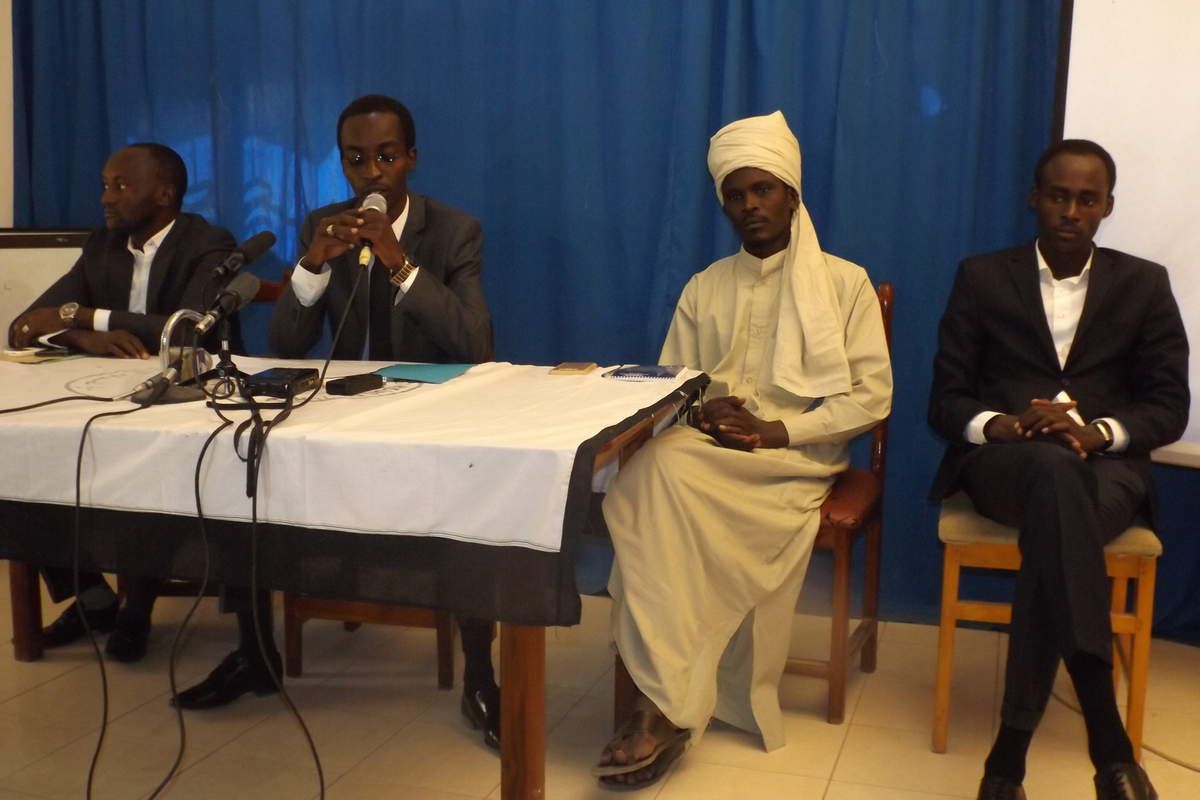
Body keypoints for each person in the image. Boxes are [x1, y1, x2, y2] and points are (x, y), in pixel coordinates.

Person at [176, 94, 502, 750]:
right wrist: (313, 265)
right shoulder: (322, 223)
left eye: (386, 157)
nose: (372, 173)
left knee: (475, 501)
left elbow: (475, 343)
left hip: (430, 411)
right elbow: (288, 345)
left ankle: (480, 675)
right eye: (356, 160)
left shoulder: (453, 230)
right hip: (344, 408)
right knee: (245, 463)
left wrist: (398, 260)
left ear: (411, 158)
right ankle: (255, 652)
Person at [594, 111, 892, 788]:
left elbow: (872, 399)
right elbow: (671, 387)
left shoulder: (845, 284)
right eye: (736, 194)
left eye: (763, 189)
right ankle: (666, 698)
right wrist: (705, 410)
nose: (751, 205)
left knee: (651, 482)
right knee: (643, 479)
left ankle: (659, 705)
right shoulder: (705, 286)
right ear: (723, 203)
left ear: (791, 193)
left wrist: (778, 431)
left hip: (795, 461)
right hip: (709, 453)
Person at [928, 139, 1188, 800]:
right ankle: (1108, 741)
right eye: (1059, 196)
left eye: (1087, 199)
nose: (1072, 211)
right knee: (1049, 473)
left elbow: (1168, 406)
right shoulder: (982, 278)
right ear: (1034, 199)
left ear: (1107, 207)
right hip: (1005, 466)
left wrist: (1097, 433)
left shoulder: (1144, 284)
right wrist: (1002, 424)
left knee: (1058, 509)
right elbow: (946, 400)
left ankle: (1007, 763)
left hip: (1107, 472)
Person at [7, 142, 237, 663]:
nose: (106, 198)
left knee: (141, 470)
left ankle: (138, 606)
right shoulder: (102, 245)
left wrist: (86, 316)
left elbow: (188, 329)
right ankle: (92, 597)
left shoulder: (208, 243)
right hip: (102, 399)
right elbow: (26, 324)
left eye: (120, 186)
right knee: (29, 461)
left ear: (165, 194)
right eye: (104, 185)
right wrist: (82, 337)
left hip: (180, 407)